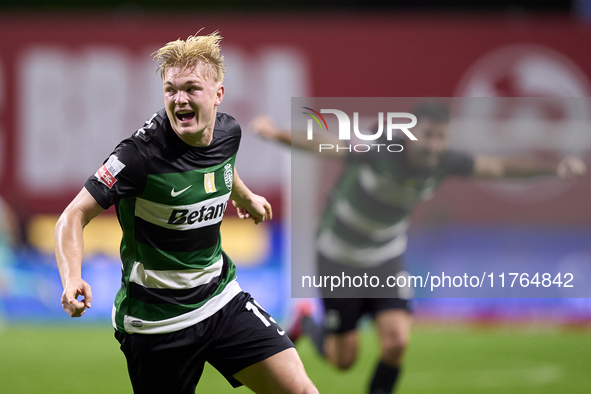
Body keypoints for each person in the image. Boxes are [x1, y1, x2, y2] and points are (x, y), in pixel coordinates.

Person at [249, 101, 587, 394]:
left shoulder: (445, 162)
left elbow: (498, 167)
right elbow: (324, 144)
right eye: (427, 135)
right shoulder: (382, 150)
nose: (433, 144)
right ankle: (306, 321)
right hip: (339, 256)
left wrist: (554, 167)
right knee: (343, 360)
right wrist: (275, 133)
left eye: (440, 137)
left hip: (385, 257)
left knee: (397, 342)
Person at [55, 31, 318, 394]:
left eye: (191, 88)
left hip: (221, 299)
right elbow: (72, 216)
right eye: (170, 90)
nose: (179, 99)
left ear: (218, 95)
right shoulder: (137, 156)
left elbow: (222, 166)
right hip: (157, 322)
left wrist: (244, 196)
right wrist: (70, 278)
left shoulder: (228, 132)